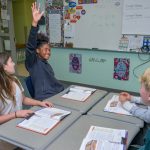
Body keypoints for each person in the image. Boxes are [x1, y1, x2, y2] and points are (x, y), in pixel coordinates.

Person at [0, 52, 53, 124]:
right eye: (11, 61)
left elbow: (23, 99)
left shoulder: (15, 79)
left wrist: (40, 103)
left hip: (18, 120)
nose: (14, 64)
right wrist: (16, 114)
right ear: (4, 67)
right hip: (6, 126)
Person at [25, 2, 64, 100]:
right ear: (37, 50)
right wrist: (34, 23)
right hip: (45, 99)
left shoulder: (46, 64)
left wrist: (63, 91)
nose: (48, 52)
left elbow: (53, 83)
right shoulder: (32, 62)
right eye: (46, 49)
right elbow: (30, 46)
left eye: (49, 50)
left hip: (55, 95)